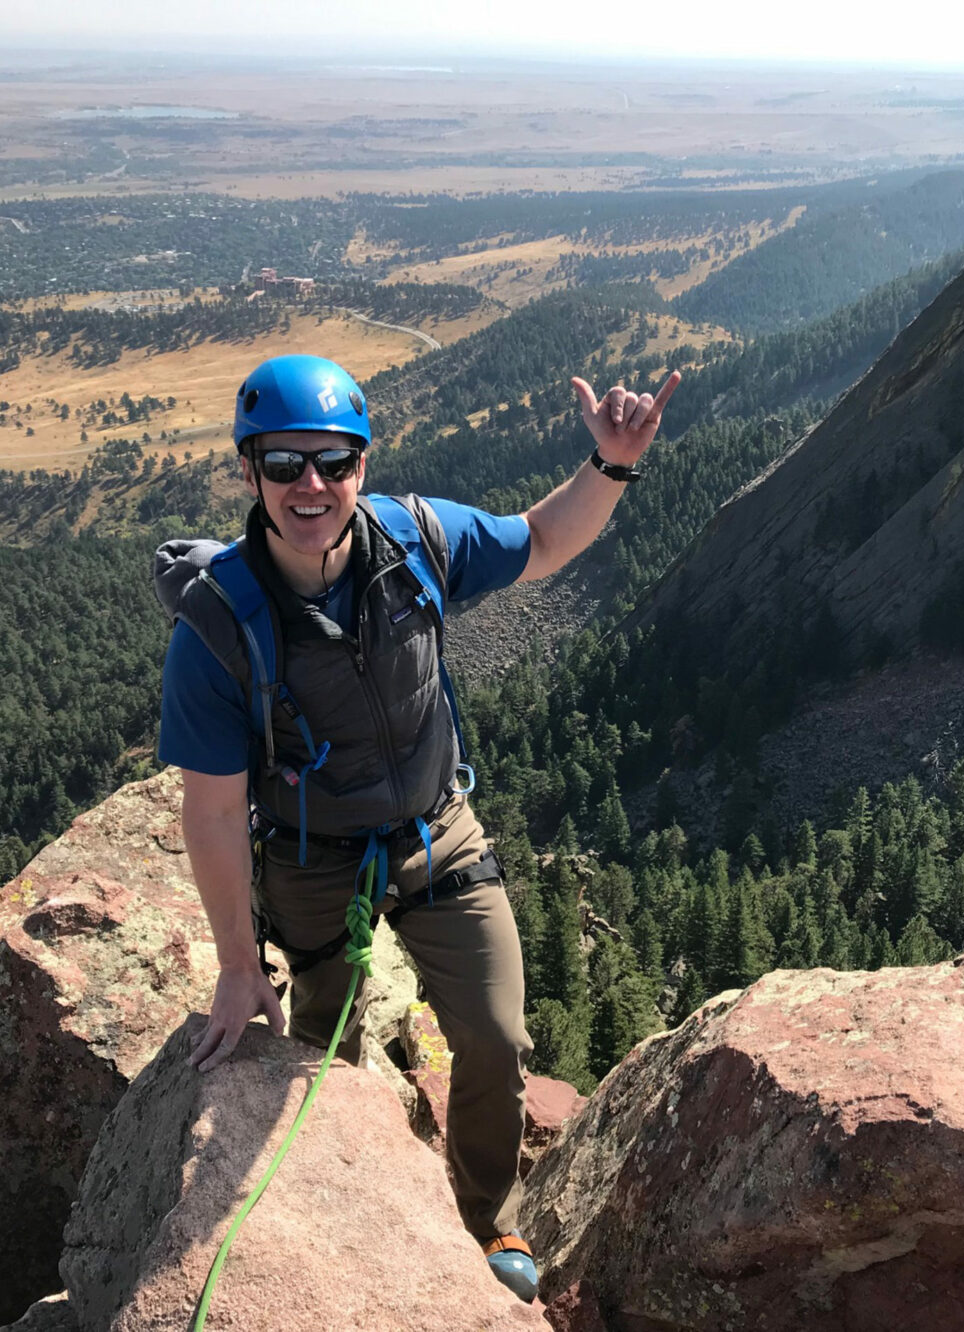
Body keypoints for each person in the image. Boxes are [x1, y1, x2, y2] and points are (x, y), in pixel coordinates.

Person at [153, 353, 680, 1302]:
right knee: (320, 1052)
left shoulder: (417, 540)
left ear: (362, 463)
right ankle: (330, 1225)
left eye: (333, 462)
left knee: (493, 1032)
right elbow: (216, 809)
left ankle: (485, 1222)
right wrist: (238, 963)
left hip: (438, 831)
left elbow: (543, 542)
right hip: (313, 863)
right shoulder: (217, 628)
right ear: (248, 471)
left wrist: (609, 465)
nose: (310, 485)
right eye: (283, 465)